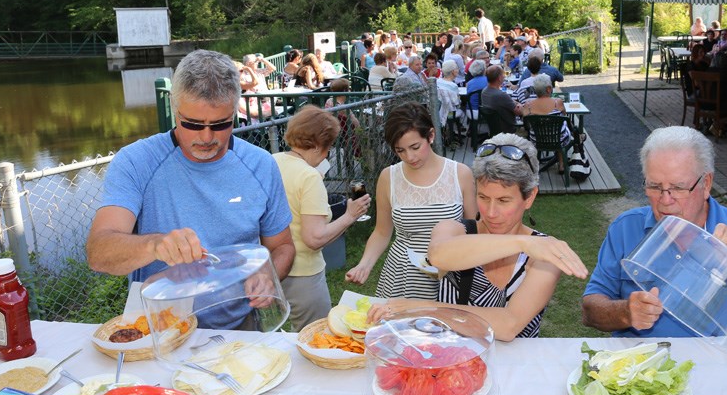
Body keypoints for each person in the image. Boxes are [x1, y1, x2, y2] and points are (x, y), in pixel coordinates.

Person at [86, 49, 295, 329]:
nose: (206, 138)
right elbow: (99, 253)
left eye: (221, 125)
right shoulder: (136, 161)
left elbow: (282, 247)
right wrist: (155, 245)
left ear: (236, 112)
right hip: (161, 329)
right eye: (192, 124)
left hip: (241, 328)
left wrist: (268, 273)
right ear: (175, 109)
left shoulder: (260, 165)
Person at [582, 125, 727, 337]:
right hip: (641, 369)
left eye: (678, 188)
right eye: (654, 186)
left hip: (715, 366)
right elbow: (590, 310)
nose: (665, 200)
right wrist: (625, 312)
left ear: (706, 184)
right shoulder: (626, 227)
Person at [367, 135, 587, 340]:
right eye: (483, 197)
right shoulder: (454, 229)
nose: (491, 212)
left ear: (529, 197)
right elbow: (439, 256)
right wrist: (523, 243)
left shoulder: (544, 252)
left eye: (503, 201)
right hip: (452, 365)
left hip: (517, 371)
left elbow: (508, 325)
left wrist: (419, 308)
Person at [346, 102, 477, 299]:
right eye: (400, 150)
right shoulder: (388, 177)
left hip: (450, 274)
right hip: (402, 276)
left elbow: (474, 229)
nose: (410, 156)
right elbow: (382, 232)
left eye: (415, 147)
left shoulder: (460, 174)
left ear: (430, 135)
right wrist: (365, 264)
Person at [273, 106, 371, 329]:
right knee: (315, 336)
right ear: (318, 145)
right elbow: (314, 238)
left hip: (273, 268)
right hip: (304, 273)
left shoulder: (273, 160)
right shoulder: (308, 176)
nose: (328, 154)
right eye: (328, 147)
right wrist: (350, 215)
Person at [522, 74, 574, 150]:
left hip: (536, 141)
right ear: (549, 89)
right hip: (559, 141)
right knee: (562, 128)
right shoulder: (557, 102)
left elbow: (526, 123)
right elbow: (564, 115)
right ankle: (561, 160)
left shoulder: (528, 105)